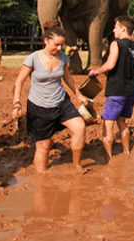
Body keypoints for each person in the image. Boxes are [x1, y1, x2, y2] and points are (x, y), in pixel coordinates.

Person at [11, 22, 89, 173]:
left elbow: (68, 78)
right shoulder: (33, 58)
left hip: (61, 103)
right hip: (39, 107)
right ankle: (41, 177)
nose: (59, 48)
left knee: (80, 127)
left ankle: (76, 165)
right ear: (46, 40)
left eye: (62, 45)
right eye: (56, 45)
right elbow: (19, 81)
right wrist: (16, 102)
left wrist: (79, 95)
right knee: (44, 145)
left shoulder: (63, 58)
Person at [87, 16, 134, 161]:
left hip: (116, 90)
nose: (113, 30)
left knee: (108, 123)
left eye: (116, 27)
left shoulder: (116, 44)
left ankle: (109, 157)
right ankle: (126, 152)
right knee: (122, 121)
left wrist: (96, 71)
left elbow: (110, 64)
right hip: (131, 92)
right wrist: (133, 87)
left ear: (123, 29)